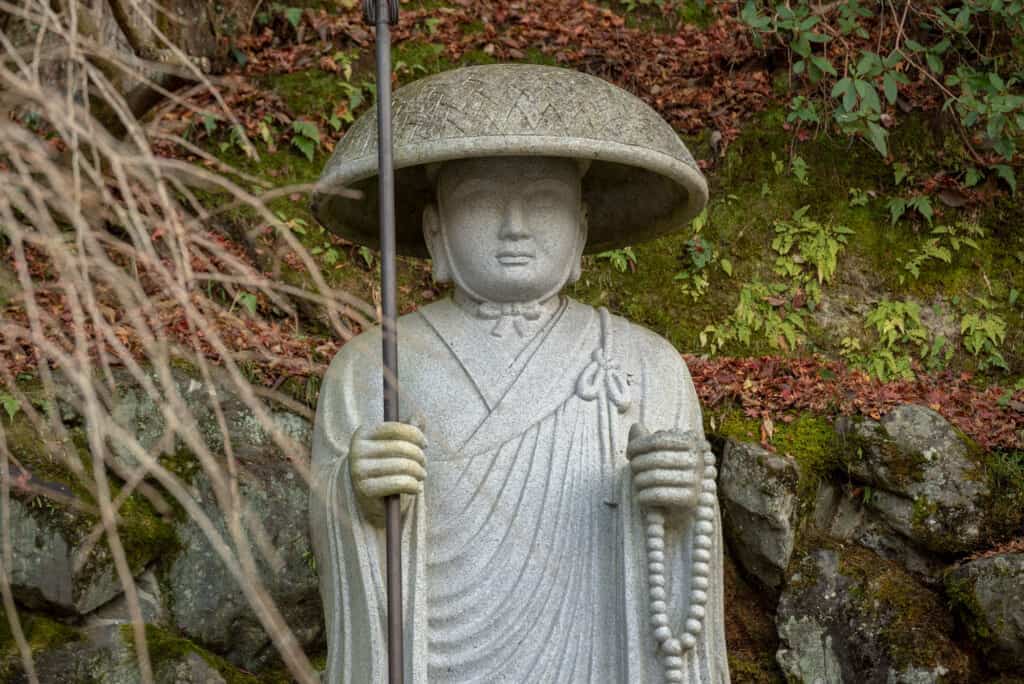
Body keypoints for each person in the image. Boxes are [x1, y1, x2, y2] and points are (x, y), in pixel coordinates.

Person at [310, 64, 729, 684]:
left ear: (581, 229)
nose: (515, 226)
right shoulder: (372, 367)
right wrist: (355, 492)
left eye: (544, 201)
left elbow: (687, 559)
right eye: (481, 201)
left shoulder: (647, 362)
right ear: (435, 230)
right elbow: (333, 522)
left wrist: (679, 505)